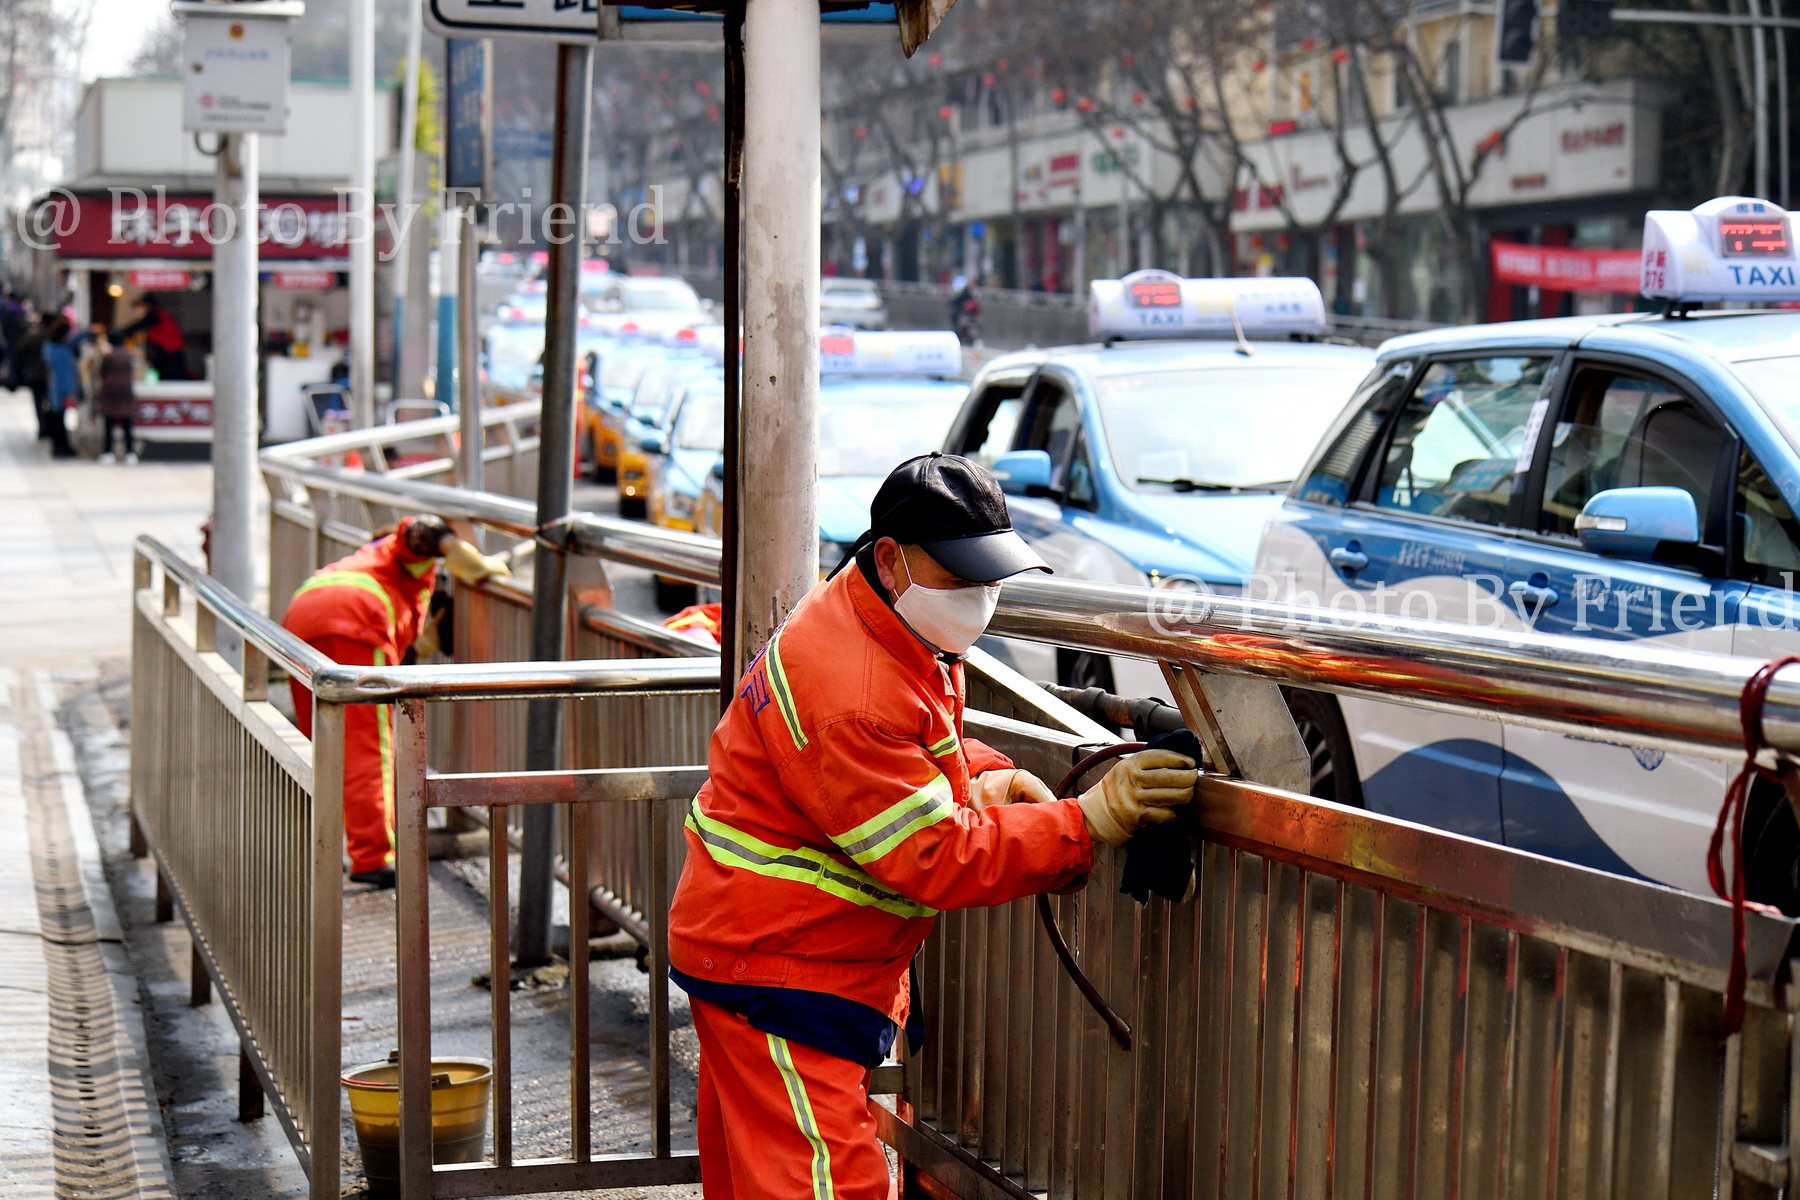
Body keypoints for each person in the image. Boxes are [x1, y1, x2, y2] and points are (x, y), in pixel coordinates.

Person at [666, 452, 1198, 1198]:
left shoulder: (873, 617)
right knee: (828, 1188)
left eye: (990, 580)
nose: (979, 599)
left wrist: (986, 774)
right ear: (889, 559)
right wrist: (1087, 821)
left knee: (761, 1180)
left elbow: (911, 756)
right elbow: (931, 853)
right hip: (783, 970)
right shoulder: (852, 681)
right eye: (960, 578)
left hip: (769, 951)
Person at [282, 516, 510, 888]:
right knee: (370, 747)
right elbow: (423, 530)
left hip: (303, 616)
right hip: (355, 618)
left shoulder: (371, 560)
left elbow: (408, 651)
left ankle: (319, 843)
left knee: (324, 742)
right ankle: (371, 856)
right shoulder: (401, 548)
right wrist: (477, 563)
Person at [112, 295, 188, 381]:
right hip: (168, 355)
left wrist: (122, 333)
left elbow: (139, 325)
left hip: (172, 355)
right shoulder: (158, 315)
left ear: (147, 305)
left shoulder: (155, 315)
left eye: (141, 306)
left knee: (170, 381)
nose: (139, 311)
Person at [93, 332, 138, 464]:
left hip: (110, 393)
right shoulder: (129, 355)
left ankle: (108, 452)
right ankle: (130, 453)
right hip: (126, 393)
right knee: (127, 425)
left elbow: (101, 373)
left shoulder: (108, 357)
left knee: (109, 425)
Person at [41, 315, 81, 458]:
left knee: (58, 419)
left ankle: (61, 447)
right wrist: (70, 392)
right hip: (60, 391)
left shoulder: (50, 348)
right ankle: (61, 447)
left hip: (54, 389)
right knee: (59, 420)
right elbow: (65, 375)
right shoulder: (61, 351)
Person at [11, 313, 49, 443]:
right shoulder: (52, 337)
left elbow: (19, 353)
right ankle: (47, 427)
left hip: (35, 374)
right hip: (45, 375)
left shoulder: (34, 337)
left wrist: (18, 372)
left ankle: (43, 427)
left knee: (39, 402)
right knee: (49, 402)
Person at [949, 275, 980, 346]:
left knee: (957, 321)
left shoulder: (963, 295)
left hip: (965, 315)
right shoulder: (969, 295)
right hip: (969, 316)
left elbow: (954, 303)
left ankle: (960, 336)